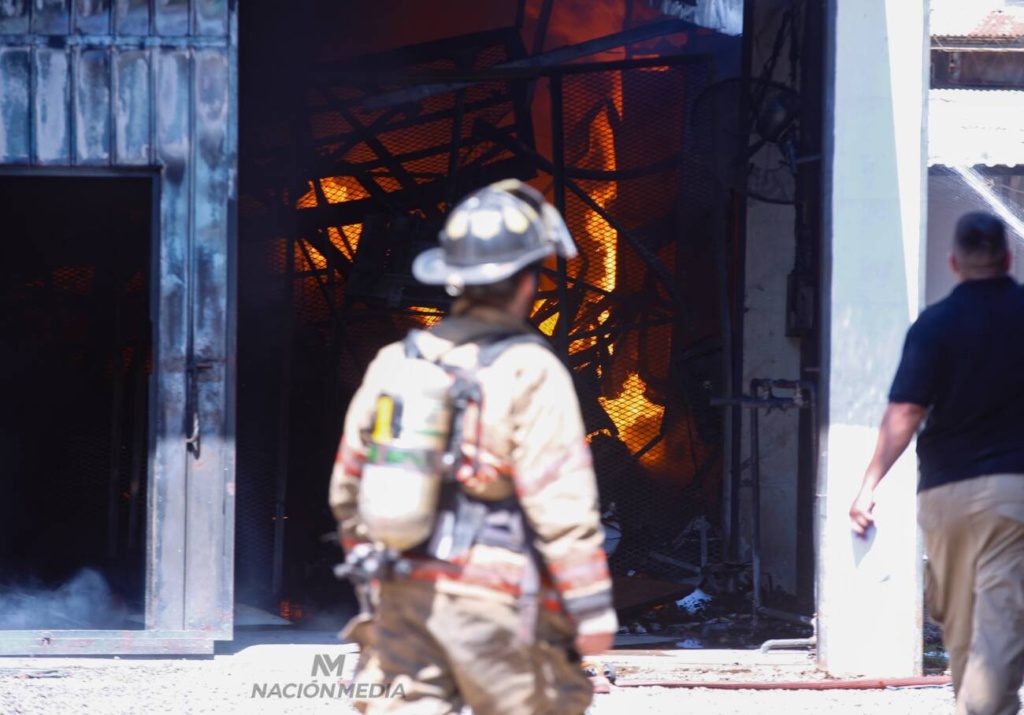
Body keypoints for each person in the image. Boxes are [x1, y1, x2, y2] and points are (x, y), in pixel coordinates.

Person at [329, 179, 618, 714]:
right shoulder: (530, 368)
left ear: (452, 278)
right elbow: (560, 501)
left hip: (402, 597)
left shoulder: (396, 361)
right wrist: (591, 609)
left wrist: (378, 581)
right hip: (495, 602)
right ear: (527, 281)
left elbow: (348, 486)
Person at [849, 211, 1024, 715]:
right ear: (1008, 260)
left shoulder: (935, 324)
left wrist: (868, 485)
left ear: (953, 262)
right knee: (999, 614)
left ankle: (981, 704)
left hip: (945, 493)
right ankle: (986, 707)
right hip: (1012, 489)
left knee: (961, 620)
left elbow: (905, 410)